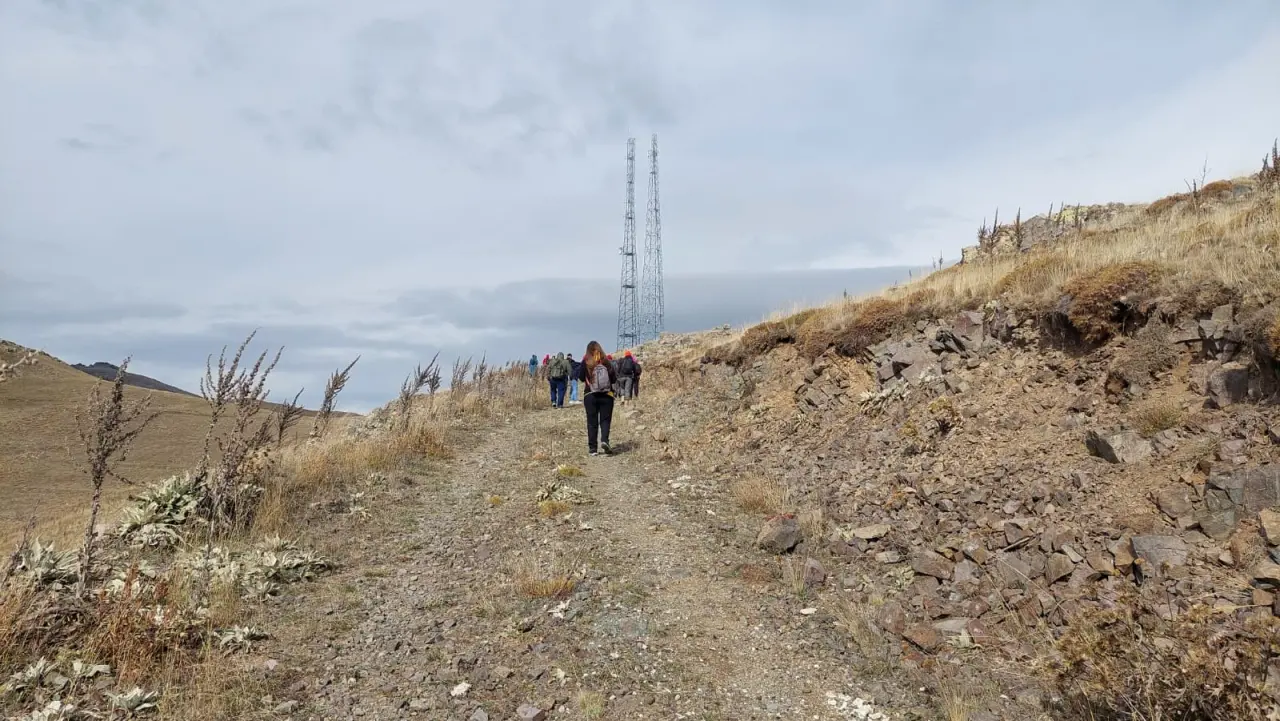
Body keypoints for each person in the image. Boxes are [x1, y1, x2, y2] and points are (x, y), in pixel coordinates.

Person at [578, 340, 617, 456]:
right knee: (605, 420)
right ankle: (604, 440)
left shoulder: (586, 361)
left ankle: (593, 449)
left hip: (590, 395)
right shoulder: (605, 361)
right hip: (606, 396)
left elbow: (580, 377)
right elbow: (613, 379)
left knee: (592, 422)